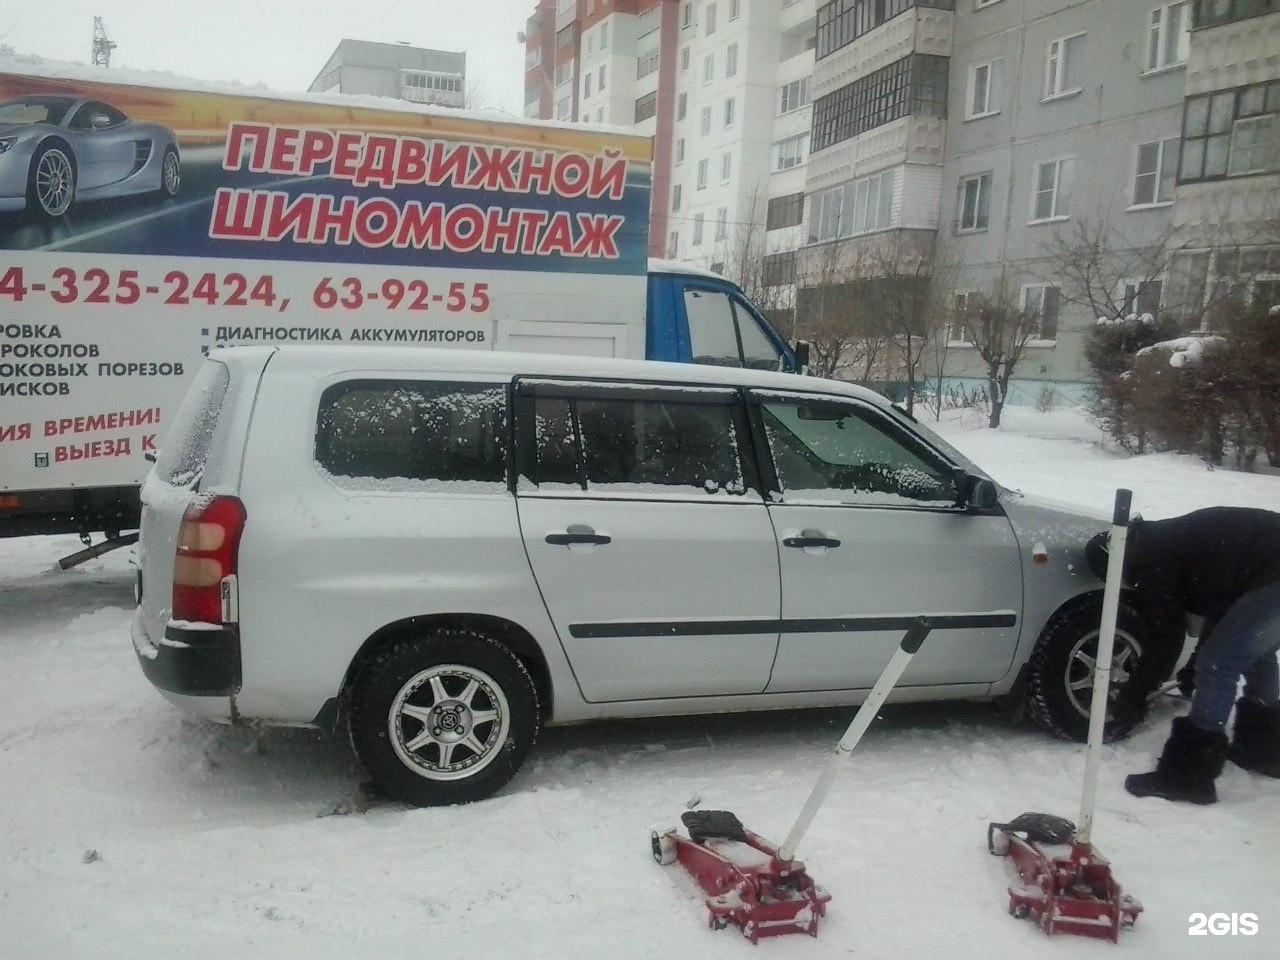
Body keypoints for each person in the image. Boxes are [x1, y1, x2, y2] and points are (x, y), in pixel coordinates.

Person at [1085, 506, 1280, 804]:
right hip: (1265, 569)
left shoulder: (1149, 561)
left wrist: (1134, 696)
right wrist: (1192, 666)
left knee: (1218, 665)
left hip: (1272, 575)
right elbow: (1223, 605)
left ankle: (1188, 776)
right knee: (1257, 653)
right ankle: (1263, 750)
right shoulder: (1156, 540)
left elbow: (1167, 637)